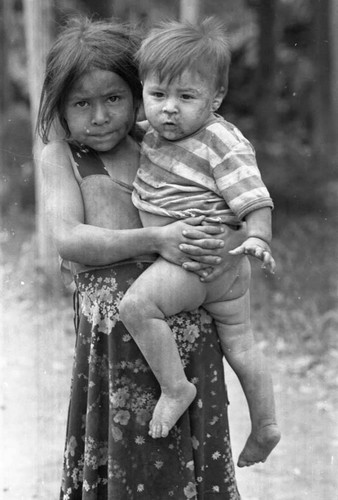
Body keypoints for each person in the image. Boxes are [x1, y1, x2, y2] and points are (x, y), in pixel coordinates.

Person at [37, 16, 245, 499]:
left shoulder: (164, 143)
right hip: (115, 343)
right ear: (61, 108)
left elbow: (228, 191)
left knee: (188, 452)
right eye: (82, 103)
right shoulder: (62, 157)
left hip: (185, 331)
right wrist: (157, 240)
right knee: (125, 450)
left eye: (114, 98)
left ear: (138, 94)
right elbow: (69, 238)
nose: (101, 116)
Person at [119, 17, 281, 467]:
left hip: (193, 262)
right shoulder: (154, 130)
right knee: (242, 345)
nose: (169, 109)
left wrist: (258, 238)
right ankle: (266, 424)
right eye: (157, 95)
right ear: (145, 94)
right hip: (224, 273)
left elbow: (255, 198)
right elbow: (131, 127)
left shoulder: (221, 141)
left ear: (216, 98)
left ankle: (176, 387)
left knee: (136, 307)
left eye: (186, 97)